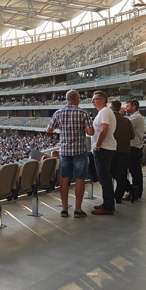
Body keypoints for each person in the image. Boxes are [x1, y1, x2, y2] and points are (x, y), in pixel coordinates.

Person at [47, 90, 94, 218]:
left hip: (65, 151)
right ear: (77, 99)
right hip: (79, 151)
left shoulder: (58, 113)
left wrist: (63, 128)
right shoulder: (84, 113)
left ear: (67, 99)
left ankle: (64, 209)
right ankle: (78, 209)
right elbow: (90, 132)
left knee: (65, 179)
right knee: (80, 179)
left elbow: (49, 130)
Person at [91, 91, 117, 216]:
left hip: (103, 149)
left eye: (95, 99)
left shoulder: (104, 112)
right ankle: (107, 202)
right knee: (105, 178)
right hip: (106, 148)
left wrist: (97, 145)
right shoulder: (105, 112)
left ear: (102, 100)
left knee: (104, 178)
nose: (92, 102)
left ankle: (108, 206)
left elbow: (104, 129)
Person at [110, 100, 135, 204]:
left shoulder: (110, 120)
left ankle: (129, 188)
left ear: (111, 108)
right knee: (121, 173)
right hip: (125, 150)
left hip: (113, 150)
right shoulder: (126, 120)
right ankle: (120, 194)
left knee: (112, 171)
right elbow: (132, 136)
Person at [124, 100, 145, 200]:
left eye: (127, 106)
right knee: (136, 171)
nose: (125, 108)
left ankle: (135, 192)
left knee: (135, 172)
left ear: (134, 107)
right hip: (136, 147)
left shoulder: (136, 118)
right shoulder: (136, 117)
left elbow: (124, 125)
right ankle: (137, 191)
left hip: (134, 147)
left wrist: (119, 114)